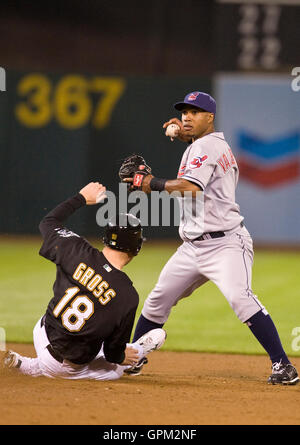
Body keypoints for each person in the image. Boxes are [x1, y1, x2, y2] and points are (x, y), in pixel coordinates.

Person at [123, 91, 299, 385]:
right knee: (157, 301)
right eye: (184, 113)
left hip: (226, 244)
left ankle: (283, 365)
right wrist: (186, 137)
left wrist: (150, 182)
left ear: (210, 117)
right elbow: (199, 161)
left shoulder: (205, 147)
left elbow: (191, 187)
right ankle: (133, 357)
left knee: (240, 298)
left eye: (195, 112)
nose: (187, 117)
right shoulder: (207, 144)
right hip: (192, 247)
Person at [3, 182, 166, 380]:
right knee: (116, 370)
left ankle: (23, 363)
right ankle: (138, 353)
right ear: (136, 249)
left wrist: (81, 198)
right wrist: (124, 357)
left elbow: (49, 222)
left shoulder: (75, 248)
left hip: (42, 332)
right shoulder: (127, 295)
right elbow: (113, 354)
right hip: (66, 366)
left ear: (106, 238)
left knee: (79, 336)